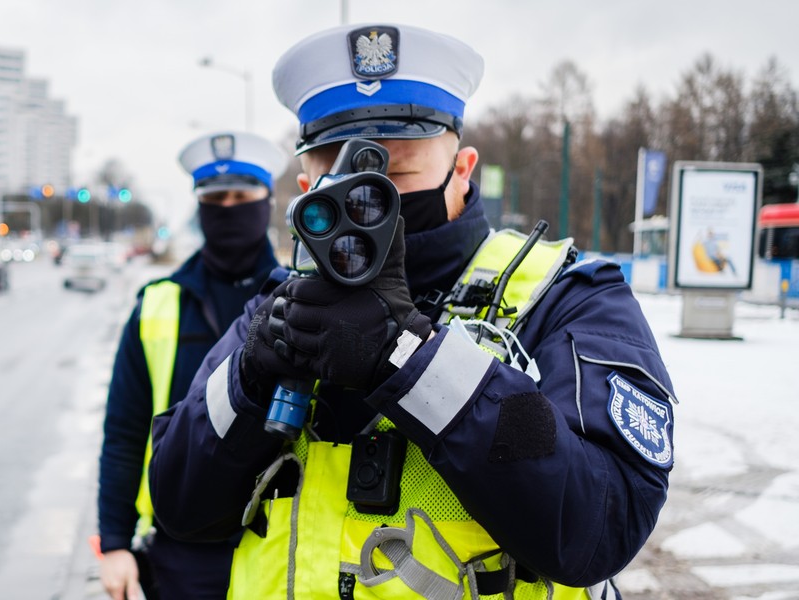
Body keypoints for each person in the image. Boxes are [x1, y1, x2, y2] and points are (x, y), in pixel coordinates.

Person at [149, 23, 676, 599]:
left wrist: (408, 358)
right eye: (340, 178)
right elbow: (179, 505)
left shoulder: (563, 297)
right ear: (305, 187)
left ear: (464, 169)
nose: (369, 201)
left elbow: (599, 527)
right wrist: (252, 377)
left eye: (396, 174)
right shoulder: (276, 309)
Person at [97, 131, 289, 599]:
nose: (228, 207)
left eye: (241, 196)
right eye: (214, 198)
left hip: (283, 538)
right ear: (199, 207)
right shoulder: (158, 304)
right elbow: (125, 430)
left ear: (267, 201)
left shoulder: (299, 300)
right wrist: (115, 543)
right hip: (184, 545)